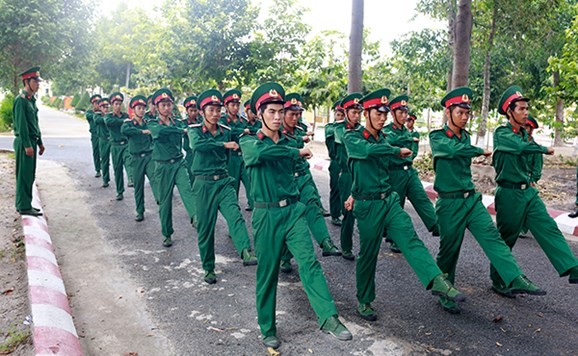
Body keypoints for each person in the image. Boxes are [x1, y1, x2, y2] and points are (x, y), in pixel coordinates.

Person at [240, 82, 352, 350]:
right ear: (259, 114)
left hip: (292, 211)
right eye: (271, 112)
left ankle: (328, 317)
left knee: (309, 263)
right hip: (266, 215)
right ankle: (267, 328)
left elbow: (287, 155)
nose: (278, 117)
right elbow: (262, 153)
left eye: (281, 111)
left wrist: (293, 149)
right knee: (267, 273)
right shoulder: (249, 141)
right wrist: (295, 151)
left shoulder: (290, 140)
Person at [343, 88, 465, 321]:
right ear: (366, 114)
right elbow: (366, 153)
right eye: (377, 113)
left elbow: (387, 162)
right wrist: (395, 150)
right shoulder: (353, 137)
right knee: (368, 255)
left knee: (410, 238)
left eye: (385, 114)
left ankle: (438, 280)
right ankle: (365, 300)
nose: (382, 118)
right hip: (367, 206)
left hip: (388, 200)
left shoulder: (385, 138)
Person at [430, 86, 546, 314]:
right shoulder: (437, 137)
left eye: (467, 113)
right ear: (448, 113)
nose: (464, 118)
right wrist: (477, 150)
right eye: (460, 113)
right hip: (450, 202)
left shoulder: (464, 135)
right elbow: (452, 151)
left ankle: (513, 277)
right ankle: (444, 289)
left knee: (493, 238)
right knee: (449, 251)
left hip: (471, 199)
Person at [491, 85, 578, 290]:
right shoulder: (502, 133)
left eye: (526, 108)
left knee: (548, 227)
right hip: (509, 193)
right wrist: (543, 149)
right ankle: (498, 279)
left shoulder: (524, 134)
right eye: (521, 109)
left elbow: (528, 153)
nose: (525, 112)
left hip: (527, 192)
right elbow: (520, 148)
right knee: (506, 240)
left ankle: (572, 267)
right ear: (509, 112)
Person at [188, 89, 258, 284]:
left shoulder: (225, 131)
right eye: (211, 110)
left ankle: (245, 251)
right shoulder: (194, 130)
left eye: (218, 110)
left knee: (235, 216)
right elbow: (198, 146)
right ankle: (208, 268)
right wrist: (223, 146)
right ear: (202, 112)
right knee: (205, 228)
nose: (215, 114)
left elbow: (227, 159)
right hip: (203, 184)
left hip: (223, 181)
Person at [279, 93, 341, 273]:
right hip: (286, 181)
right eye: (291, 114)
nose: (295, 117)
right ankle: (285, 257)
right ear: (282, 113)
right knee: (290, 219)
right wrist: (300, 143)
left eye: (298, 114)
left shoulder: (299, 129)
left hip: (303, 176)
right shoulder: (276, 132)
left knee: (312, 206)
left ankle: (325, 242)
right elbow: (283, 147)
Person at [383, 95, 439, 253]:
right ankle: (394, 239)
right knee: (397, 206)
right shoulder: (386, 132)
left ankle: (435, 225)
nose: (403, 116)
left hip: (410, 172)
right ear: (392, 113)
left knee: (421, 198)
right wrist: (400, 149)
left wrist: (404, 151)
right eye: (400, 112)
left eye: (405, 112)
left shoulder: (408, 133)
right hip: (395, 173)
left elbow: (412, 152)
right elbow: (390, 149)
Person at [148, 88, 197, 248]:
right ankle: (167, 233)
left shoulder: (178, 122)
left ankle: (196, 219)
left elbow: (190, 130)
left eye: (169, 104)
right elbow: (160, 132)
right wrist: (180, 130)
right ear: (156, 106)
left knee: (187, 191)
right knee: (165, 202)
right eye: (163, 105)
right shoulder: (153, 123)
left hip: (178, 163)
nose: (167, 108)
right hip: (162, 167)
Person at [333, 93, 363, 260]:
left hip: (361, 174)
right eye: (353, 112)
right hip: (346, 175)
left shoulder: (362, 130)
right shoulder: (339, 128)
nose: (356, 116)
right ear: (345, 113)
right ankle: (346, 247)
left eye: (359, 112)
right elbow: (344, 140)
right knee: (349, 212)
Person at [13, 67, 45, 216]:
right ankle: (23, 206)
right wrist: (27, 144)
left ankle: (25, 204)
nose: (37, 84)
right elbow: (22, 124)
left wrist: (40, 142)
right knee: (24, 175)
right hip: (24, 142)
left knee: (29, 175)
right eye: (35, 81)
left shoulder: (31, 100)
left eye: (38, 82)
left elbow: (34, 124)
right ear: (27, 81)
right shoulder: (21, 100)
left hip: (32, 141)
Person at [121, 95, 159, 222]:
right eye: (139, 108)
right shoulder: (129, 124)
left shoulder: (149, 123)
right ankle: (140, 211)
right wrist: (142, 132)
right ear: (133, 110)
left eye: (143, 108)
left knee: (155, 179)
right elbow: (124, 130)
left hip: (149, 157)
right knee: (138, 186)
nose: (142, 110)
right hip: (136, 159)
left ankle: (160, 201)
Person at [220, 89, 253, 211]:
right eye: (232, 105)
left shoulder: (243, 121)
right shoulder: (222, 121)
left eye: (237, 105)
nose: (235, 108)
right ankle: (233, 209)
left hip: (243, 157)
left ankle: (254, 204)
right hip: (231, 157)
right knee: (233, 185)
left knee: (250, 181)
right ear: (226, 106)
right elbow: (226, 133)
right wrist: (241, 131)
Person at [325, 101, 344, 226]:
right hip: (336, 162)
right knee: (336, 189)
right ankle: (335, 214)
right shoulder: (330, 127)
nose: (341, 118)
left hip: (347, 164)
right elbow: (337, 135)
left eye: (343, 115)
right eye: (338, 115)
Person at [181, 95, 199, 186]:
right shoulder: (183, 123)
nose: (193, 113)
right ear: (187, 111)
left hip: (200, 153)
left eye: (195, 110)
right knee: (191, 177)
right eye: (191, 111)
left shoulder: (202, 122)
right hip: (190, 154)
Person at [94, 98, 111, 188]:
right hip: (103, 140)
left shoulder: (111, 115)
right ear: (100, 108)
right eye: (103, 107)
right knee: (104, 160)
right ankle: (105, 179)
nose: (106, 109)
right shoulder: (97, 116)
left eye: (107, 107)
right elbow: (99, 120)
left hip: (112, 140)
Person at [86, 94, 102, 178]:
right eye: (96, 103)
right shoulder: (89, 113)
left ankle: (103, 164)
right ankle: (98, 169)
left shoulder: (104, 113)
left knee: (104, 152)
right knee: (96, 152)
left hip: (104, 136)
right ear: (93, 104)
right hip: (95, 135)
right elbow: (93, 117)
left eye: (99, 103)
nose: (98, 105)